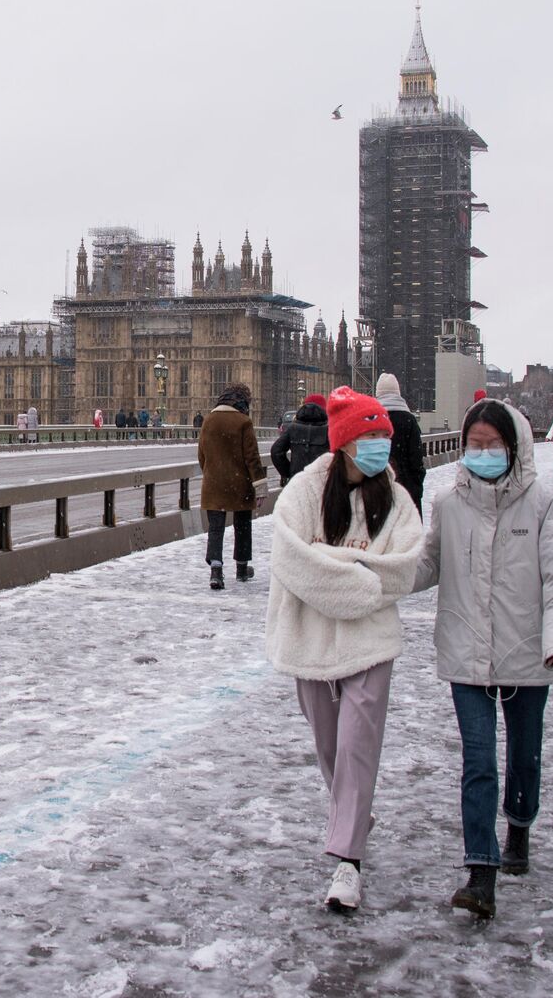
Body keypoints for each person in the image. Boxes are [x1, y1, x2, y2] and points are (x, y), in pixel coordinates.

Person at [415, 398, 553, 920]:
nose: (482, 453)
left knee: (524, 756)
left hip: (528, 649)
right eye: (474, 445)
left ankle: (520, 825)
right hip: (466, 650)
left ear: (514, 447)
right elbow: (426, 565)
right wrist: (372, 576)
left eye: (492, 445)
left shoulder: (542, 504)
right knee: (479, 761)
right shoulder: (447, 503)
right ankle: (481, 872)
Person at [265, 385, 424, 914]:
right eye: (374, 435)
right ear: (347, 442)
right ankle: (354, 814)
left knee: (357, 743)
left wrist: (327, 561)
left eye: (386, 434)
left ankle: (347, 861)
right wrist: (357, 574)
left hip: (370, 640)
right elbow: (292, 562)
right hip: (308, 635)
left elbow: (402, 569)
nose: (383, 443)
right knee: (330, 747)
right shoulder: (304, 495)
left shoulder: (396, 500)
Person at [198, 382, 264, 590]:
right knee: (242, 526)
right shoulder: (243, 422)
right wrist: (259, 485)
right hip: (240, 484)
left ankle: (216, 571)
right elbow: (252, 457)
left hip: (214, 484)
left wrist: (212, 473)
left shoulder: (208, 420)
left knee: (215, 529)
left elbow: (202, 455)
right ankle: (242, 567)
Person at [375, 373, 427, 515]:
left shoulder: (373, 419)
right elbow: (417, 460)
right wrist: (416, 488)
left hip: (378, 490)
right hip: (407, 489)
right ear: (398, 393)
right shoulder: (409, 420)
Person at [270, 393, 330, 487]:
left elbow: (276, 451)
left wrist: (289, 472)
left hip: (297, 483)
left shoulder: (293, 428)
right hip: (322, 483)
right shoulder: (329, 430)